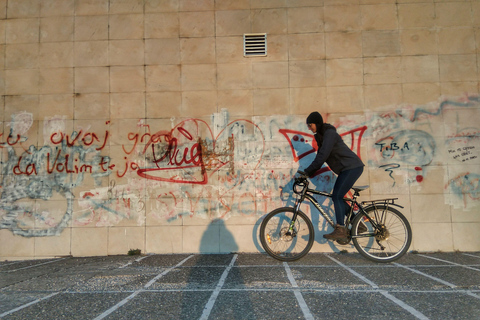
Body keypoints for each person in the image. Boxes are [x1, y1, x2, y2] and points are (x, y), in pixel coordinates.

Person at [298, 112, 364, 241]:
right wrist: (303, 174)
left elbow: (322, 156)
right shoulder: (321, 136)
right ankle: (357, 223)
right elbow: (320, 156)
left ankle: (340, 229)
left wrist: (307, 172)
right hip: (346, 169)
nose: (309, 128)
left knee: (337, 196)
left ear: (316, 123)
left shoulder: (329, 134)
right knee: (338, 197)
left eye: (310, 125)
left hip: (352, 167)